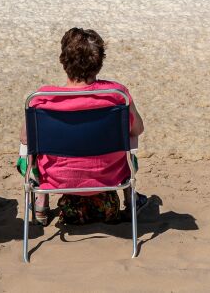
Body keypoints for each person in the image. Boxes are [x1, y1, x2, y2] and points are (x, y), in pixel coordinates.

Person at [21, 27, 147, 226]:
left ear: (64, 61)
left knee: (28, 151)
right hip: (110, 176)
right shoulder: (116, 95)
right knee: (128, 145)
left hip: (55, 178)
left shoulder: (42, 99)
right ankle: (130, 199)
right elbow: (137, 130)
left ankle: (41, 202)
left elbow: (25, 139)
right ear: (99, 63)